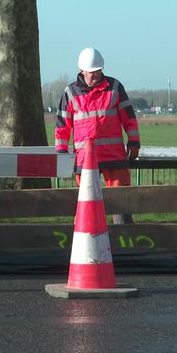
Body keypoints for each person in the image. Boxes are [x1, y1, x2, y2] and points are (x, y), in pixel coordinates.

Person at [55, 47, 140, 224]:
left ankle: (125, 245)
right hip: (86, 160)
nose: (95, 76)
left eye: (98, 71)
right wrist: (61, 152)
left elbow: (129, 118)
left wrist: (134, 142)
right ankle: (86, 244)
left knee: (121, 204)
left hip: (113, 156)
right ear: (81, 70)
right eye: (91, 72)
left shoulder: (115, 87)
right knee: (87, 205)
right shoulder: (70, 93)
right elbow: (62, 125)